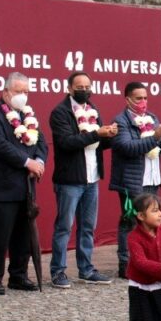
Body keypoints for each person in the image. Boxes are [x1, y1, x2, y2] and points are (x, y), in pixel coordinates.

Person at [0, 72, 48, 295]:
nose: (23, 95)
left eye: (26, 91)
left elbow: (41, 142)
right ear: (6, 92)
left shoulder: (28, 115)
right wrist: (27, 162)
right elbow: (0, 146)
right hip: (2, 186)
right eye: (19, 91)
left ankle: (18, 275)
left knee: (24, 235)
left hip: (26, 186)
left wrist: (39, 161)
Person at [48, 71, 118, 288]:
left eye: (88, 87)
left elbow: (99, 143)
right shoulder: (60, 112)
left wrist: (111, 136)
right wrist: (98, 134)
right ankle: (58, 272)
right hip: (70, 179)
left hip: (92, 177)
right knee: (64, 227)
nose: (84, 91)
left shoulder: (92, 109)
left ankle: (86, 269)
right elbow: (67, 142)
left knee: (88, 227)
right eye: (80, 87)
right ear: (69, 88)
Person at [110, 82, 161, 279]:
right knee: (130, 222)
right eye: (138, 98)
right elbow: (128, 147)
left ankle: (148, 262)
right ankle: (126, 264)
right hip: (132, 181)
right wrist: (155, 138)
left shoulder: (152, 118)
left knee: (151, 222)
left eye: (145, 98)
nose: (143, 102)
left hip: (152, 179)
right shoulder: (121, 121)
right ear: (128, 99)